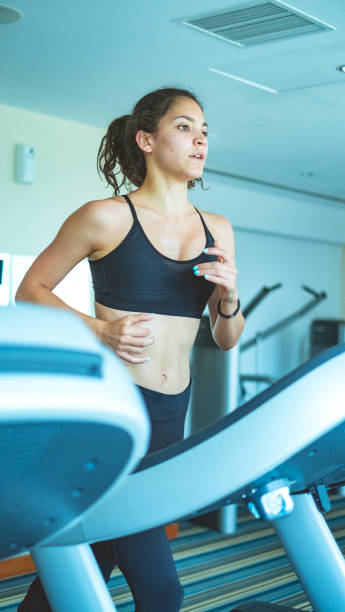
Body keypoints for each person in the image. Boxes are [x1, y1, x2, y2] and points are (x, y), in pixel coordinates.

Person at [16, 87, 245, 611]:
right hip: (115, 405)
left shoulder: (220, 230)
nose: (200, 139)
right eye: (185, 127)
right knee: (161, 589)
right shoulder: (106, 217)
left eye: (205, 131)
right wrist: (101, 332)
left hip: (172, 413)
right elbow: (30, 290)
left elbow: (226, 338)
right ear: (146, 139)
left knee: (94, 558)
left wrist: (229, 296)